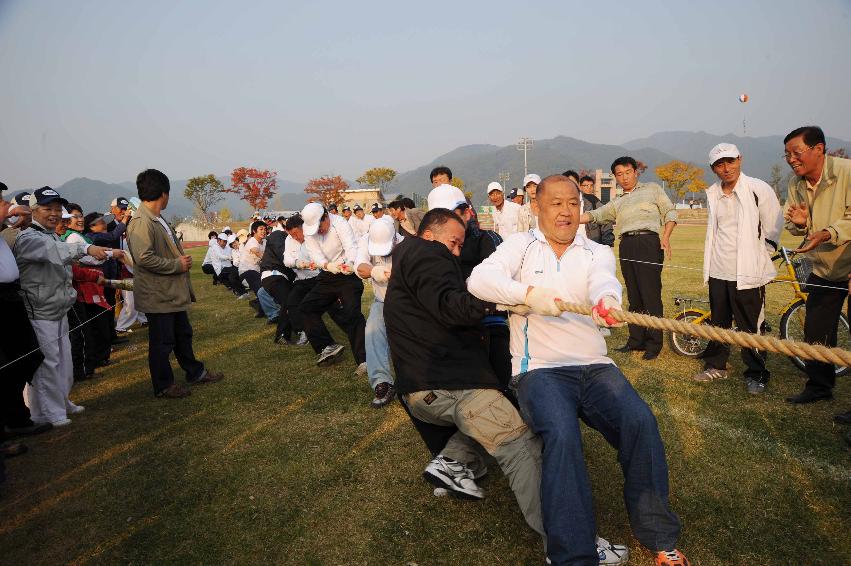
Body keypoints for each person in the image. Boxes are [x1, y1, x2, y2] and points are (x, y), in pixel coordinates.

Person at [468, 174, 687, 566]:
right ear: (536, 206)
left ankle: (659, 536)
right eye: (556, 203)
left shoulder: (596, 251)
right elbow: (479, 280)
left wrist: (607, 301)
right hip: (540, 370)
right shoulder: (520, 246)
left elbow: (604, 282)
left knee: (640, 422)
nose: (566, 211)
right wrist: (528, 296)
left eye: (573, 203)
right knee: (564, 436)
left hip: (595, 367)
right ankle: (572, 555)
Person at [384, 207, 546, 545]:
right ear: (430, 234)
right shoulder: (428, 253)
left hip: (422, 387)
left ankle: (454, 460)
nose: (457, 251)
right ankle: (567, 545)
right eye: (454, 243)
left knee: (501, 402)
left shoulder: (408, 259)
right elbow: (450, 304)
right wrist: (500, 303)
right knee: (521, 446)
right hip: (449, 384)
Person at [691, 143, 783, 395]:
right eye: (720, 164)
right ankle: (716, 365)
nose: (726, 168)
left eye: (730, 161)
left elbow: (774, 225)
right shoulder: (713, 193)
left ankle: (757, 373)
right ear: (713, 168)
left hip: (748, 273)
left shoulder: (757, 188)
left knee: (750, 325)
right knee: (719, 321)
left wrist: (760, 255)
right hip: (719, 269)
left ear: (740, 159)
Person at [13, 187, 109, 425]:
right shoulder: (29, 238)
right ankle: (48, 413)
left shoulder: (51, 235)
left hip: (57, 307)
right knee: (48, 363)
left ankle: (61, 401)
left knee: (63, 359)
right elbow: (57, 252)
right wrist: (87, 248)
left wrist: (106, 252)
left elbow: (68, 256)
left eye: (57, 209)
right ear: (34, 211)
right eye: (48, 209)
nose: (54, 214)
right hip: (40, 309)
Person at [126, 169, 223, 399]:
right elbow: (143, 257)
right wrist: (176, 265)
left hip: (170, 294)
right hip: (158, 295)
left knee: (182, 335)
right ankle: (163, 385)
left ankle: (195, 372)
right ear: (164, 193)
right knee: (162, 342)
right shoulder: (141, 222)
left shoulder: (156, 219)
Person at [581, 156, 677, 360]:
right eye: (619, 174)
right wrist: (570, 218)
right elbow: (596, 215)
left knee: (650, 294)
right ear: (615, 177)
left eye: (627, 172)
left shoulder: (652, 189)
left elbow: (670, 212)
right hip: (626, 245)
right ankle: (636, 340)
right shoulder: (617, 201)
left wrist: (665, 237)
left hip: (648, 242)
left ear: (635, 172)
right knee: (633, 295)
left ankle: (654, 343)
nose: (624, 178)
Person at [782, 126, 851, 404]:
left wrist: (826, 232)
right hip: (824, 269)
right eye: (786, 154)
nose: (791, 159)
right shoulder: (795, 184)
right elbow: (793, 223)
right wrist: (801, 225)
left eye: (796, 152)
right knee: (816, 332)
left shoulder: (846, 172)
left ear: (818, 149)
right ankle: (819, 387)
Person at [0, 182, 49, 451]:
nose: (6, 204)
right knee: (5, 364)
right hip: (2, 300)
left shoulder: (6, 231)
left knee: (23, 356)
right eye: (0, 201)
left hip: (11, 299)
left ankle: (17, 418)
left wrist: (15, 218)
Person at [299, 202, 367, 370]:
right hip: (328, 274)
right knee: (307, 307)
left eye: (320, 226)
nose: (318, 231)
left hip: (347, 273)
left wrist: (350, 263)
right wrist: (326, 265)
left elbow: (351, 246)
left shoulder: (340, 224)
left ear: (326, 216)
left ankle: (364, 359)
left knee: (352, 314)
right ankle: (327, 346)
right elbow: (314, 252)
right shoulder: (309, 230)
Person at [355, 216, 402, 408]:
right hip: (382, 301)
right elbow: (360, 267)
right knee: (372, 331)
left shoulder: (405, 243)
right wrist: (376, 271)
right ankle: (382, 382)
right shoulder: (365, 241)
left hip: (407, 302)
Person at [260, 217, 297, 342]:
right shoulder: (278, 236)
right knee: (289, 301)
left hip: (282, 277)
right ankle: (283, 334)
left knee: (293, 300)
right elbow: (284, 257)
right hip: (273, 275)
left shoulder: (293, 240)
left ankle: (297, 329)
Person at [281, 215, 315, 346]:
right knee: (292, 303)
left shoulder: (312, 237)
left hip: (318, 277)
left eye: (296, 233)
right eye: (291, 235)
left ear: (303, 228)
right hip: (301, 278)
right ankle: (303, 332)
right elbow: (286, 260)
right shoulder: (289, 239)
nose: (295, 237)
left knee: (326, 306)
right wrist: (297, 263)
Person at [578, 175, 614, 247]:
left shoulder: (595, 201)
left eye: (591, 185)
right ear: (580, 186)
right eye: (586, 186)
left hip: (592, 239)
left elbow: (606, 219)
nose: (589, 188)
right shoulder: (574, 200)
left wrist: (608, 242)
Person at [239, 220, 267, 298]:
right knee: (260, 283)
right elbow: (258, 253)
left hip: (258, 269)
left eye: (265, 229)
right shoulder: (252, 242)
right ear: (254, 231)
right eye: (261, 229)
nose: (264, 231)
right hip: (246, 271)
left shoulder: (264, 241)